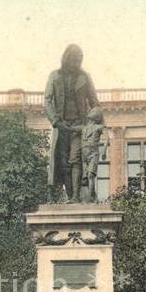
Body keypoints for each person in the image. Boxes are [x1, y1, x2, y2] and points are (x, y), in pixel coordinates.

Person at [44, 45, 99, 202]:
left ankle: (75, 196)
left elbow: (95, 103)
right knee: (63, 163)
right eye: (74, 60)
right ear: (66, 59)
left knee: (75, 159)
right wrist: (55, 120)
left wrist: (89, 122)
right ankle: (70, 196)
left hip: (78, 126)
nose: (77, 64)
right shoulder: (54, 76)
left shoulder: (85, 77)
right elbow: (47, 100)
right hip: (61, 126)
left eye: (79, 61)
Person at [70, 107, 108, 202]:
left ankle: (91, 198)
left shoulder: (99, 127)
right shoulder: (83, 128)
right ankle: (93, 196)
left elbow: (107, 138)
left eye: (94, 111)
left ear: (98, 117)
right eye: (91, 111)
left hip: (93, 153)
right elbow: (70, 129)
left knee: (91, 175)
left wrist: (104, 150)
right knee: (85, 180)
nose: (91, 111)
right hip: (84, 155)